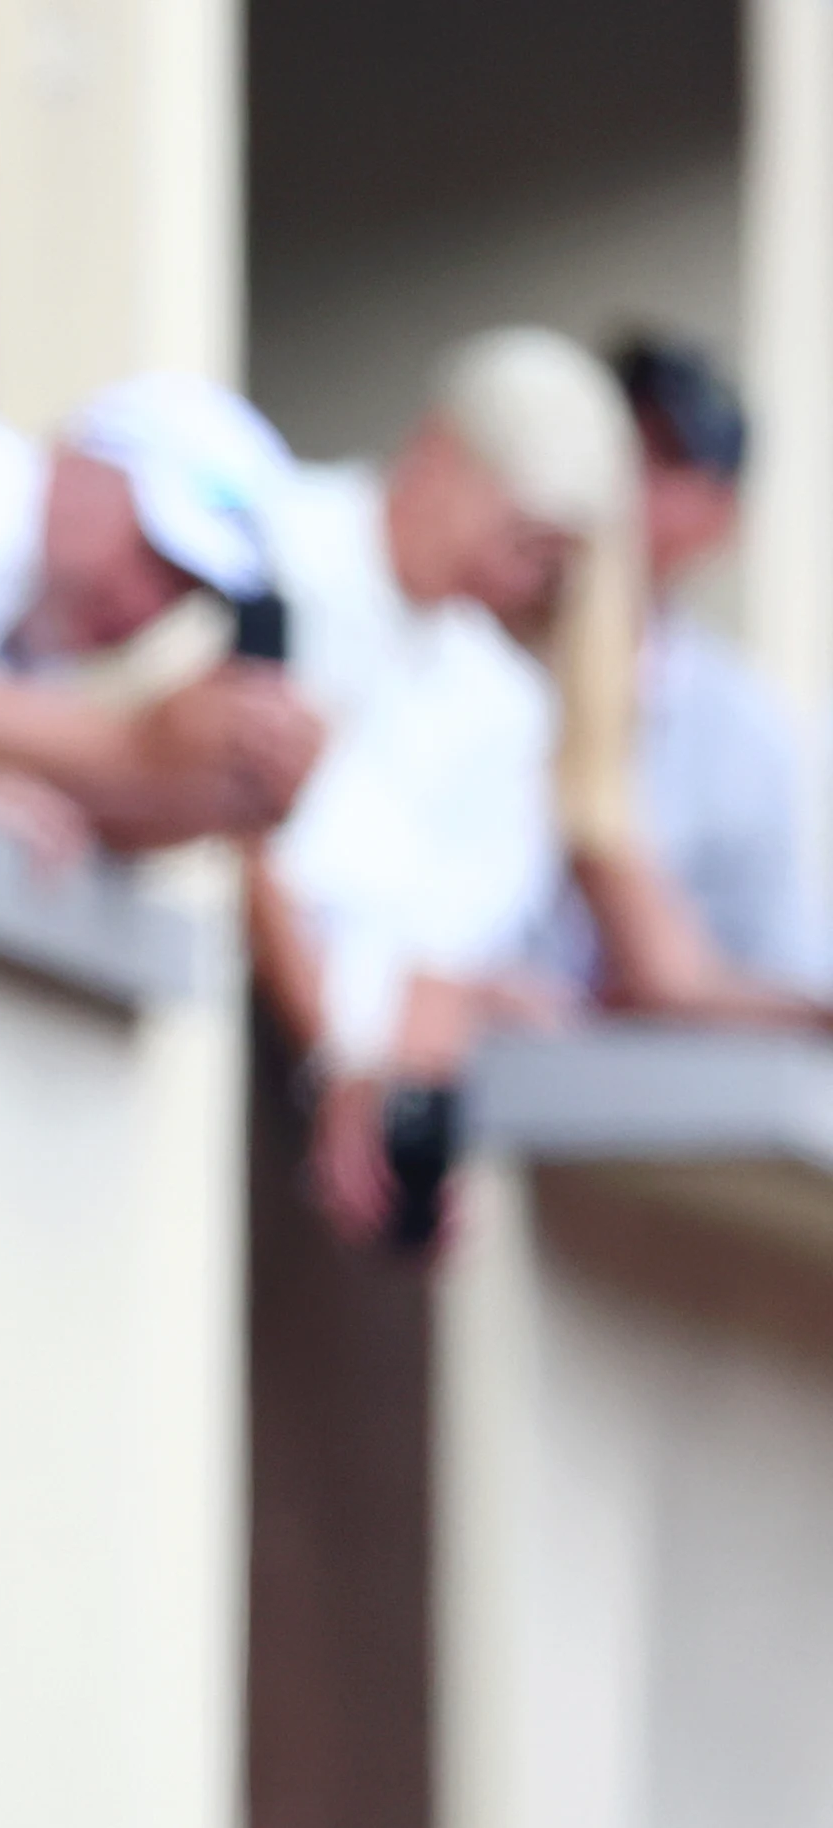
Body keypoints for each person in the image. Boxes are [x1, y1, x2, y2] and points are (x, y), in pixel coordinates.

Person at [245, 327, 643, 1248]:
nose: (522, 576)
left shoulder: (500, 703)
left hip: (335, 1104)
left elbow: (445, 947)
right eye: (521, 537)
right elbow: (241, 840)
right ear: (439, 450)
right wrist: (339, 1060)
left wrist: (401, 1114)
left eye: (550, 560)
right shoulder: (276, 546)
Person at [0, 373, 327, 851]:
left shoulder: (37, 626)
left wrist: (211, 799)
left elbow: (83, 819)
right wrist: (138, 749)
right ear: (89, 465)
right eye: (153, 558)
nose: (149, 606)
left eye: (184, 592)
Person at [530, 335, 825, 1021]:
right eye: (615, 446)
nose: (623, 483)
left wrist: (681, 982)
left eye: (665, 460)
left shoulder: (750, 728)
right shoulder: (479, 652)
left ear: (724, 517)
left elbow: (775, 972)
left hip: (657, 1105)